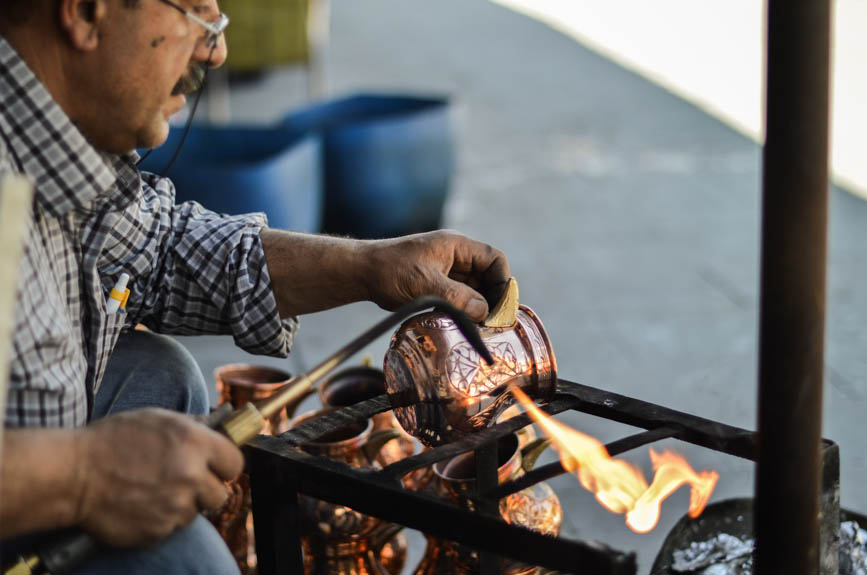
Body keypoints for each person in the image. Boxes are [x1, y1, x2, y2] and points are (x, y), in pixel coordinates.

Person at [0, 1, 510, 573]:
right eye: (194, 11)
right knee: (186, 562)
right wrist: (83, 478)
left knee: (158, 374)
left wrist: (372, 266)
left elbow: (159, 249)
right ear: (87, 11)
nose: (216, 50)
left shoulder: (54, 132)